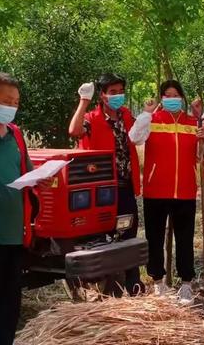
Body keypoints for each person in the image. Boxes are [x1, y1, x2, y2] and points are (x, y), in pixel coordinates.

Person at [0, 73, 52, 345]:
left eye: (16, 102)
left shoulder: (15, 134)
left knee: (8, 312)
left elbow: (25, 171)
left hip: (15, 238)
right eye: (6, 101)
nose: (12, 107)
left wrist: (41, 177)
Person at [129, 80, 204, 306]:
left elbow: (203, 156)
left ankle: (185, 283)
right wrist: (146, 113)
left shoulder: (192, 122)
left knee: (185, 239)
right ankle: (158, 281)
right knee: (155, 238)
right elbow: (134, 137)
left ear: (182, 97)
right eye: (167, 95)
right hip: (156, 190)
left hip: (185, 191)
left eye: (175, 95)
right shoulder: (153, 120)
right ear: (162, 98)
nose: (172, 98)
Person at [69, 73, 144, 296]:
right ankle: (109, 287)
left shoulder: (127, 115)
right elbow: (74, 131)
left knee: (128, 233)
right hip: (101, 188)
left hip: (126, 185)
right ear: (102, 96)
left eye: (121, 91)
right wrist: (83, 100)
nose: (118, 96)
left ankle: (134, 285)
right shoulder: (92, 118)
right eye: (113, 92)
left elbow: (138, 138)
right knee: (102, 236)